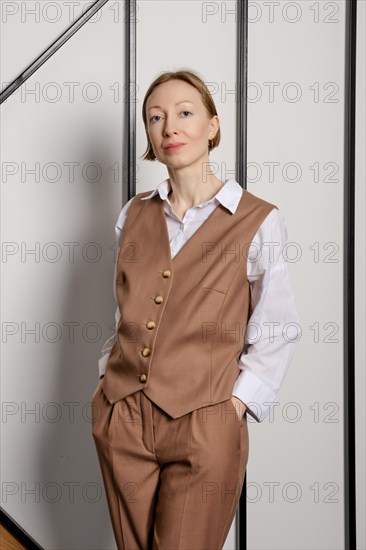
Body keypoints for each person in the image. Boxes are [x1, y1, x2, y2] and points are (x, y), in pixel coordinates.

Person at [91, 69, 300, 550]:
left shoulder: (258, 220)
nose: (169, 127)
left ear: (212, 125)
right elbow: (125, 309)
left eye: (185, 113)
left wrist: (234, 407)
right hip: (122, 417)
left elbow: (278, 326)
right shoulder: (134, 212)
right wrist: (107, 389)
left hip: (205, 422)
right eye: (155, 117)